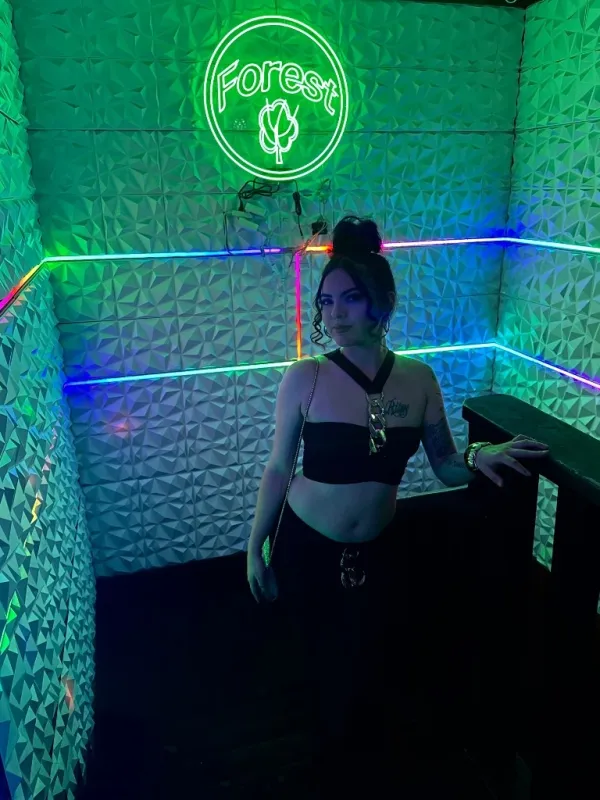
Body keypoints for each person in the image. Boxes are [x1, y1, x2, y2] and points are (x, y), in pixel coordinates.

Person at [246, 215, 549, 792]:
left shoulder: (418, 379)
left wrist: (481, 453)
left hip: (378, 547)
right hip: (305, 544)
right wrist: (254, 544)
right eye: (327, 300)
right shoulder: (306, 377)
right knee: (311, 659)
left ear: (381, 304)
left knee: (369, 660)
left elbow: (445, 463)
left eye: (351, 298)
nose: (336, 313)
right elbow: (279, 467)